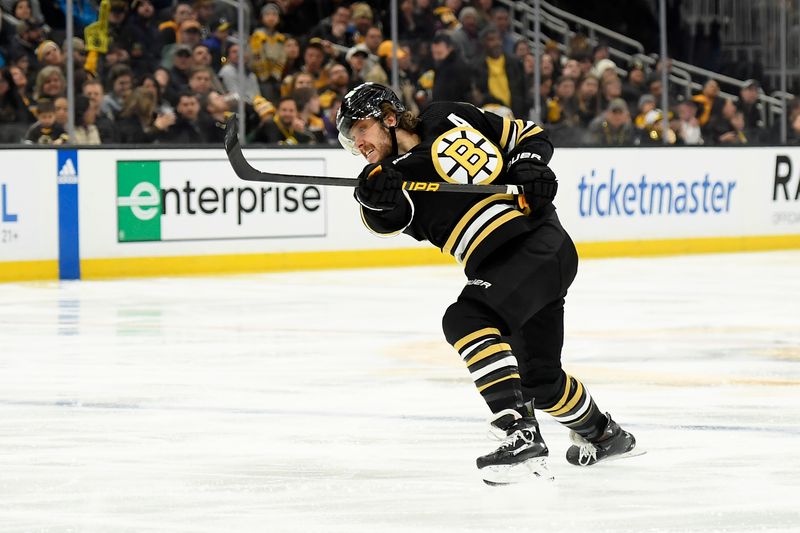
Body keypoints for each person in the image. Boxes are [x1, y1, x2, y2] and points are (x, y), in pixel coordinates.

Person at [336, 82, 638, 484]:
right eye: (351, 137)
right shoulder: (386, 180)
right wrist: (374, 197)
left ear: (389, 117)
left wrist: (532, 166)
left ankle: (519, 432)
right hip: (508, 268)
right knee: (542, 382)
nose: (358, 143)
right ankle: (604, 434)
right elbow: (384, 219)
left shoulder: (446, 113)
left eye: (361, 129)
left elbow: (528, 134)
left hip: (537, 242)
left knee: (467, 319)